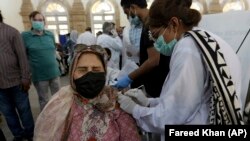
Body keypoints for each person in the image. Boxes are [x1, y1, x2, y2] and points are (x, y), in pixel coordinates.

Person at [118, 0, 244, 140]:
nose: (156, 43)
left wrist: (135, 110)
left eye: (156, 35)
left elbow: (172, 116)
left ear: (174, 24)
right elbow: (192, 98)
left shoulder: (187, 49)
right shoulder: (208, 39)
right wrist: (149, 102)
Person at [34, 44, 141, 141]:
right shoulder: (60, 103)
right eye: (82, 70)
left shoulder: (116, 104)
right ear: (72, 74)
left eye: (96, 69)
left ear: (104, 73)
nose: (90, 75)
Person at [115, 0, 170, 98]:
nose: (128, 17)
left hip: (158, 81)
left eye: (127, 13)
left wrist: (129, 77)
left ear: (133, 8)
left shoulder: (150, 25)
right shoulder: (149, 23)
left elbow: (154, 60)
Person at [0, 10, 34, 141]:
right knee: (8, 113)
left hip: (16, 81)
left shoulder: (12, 32)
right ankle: (18, 135)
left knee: (24, 111)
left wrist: (25, 77)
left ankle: (30, 134)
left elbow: (22, 56)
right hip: (0, 86)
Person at [21, 11, 61, 111]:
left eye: (41, 20)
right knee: (44, 100)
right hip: (39, 76)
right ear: (31, 20)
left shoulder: (50, 34)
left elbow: (53, 51)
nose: (38, 22)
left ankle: (58, 117)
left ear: (44, 21)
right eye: (35, 20)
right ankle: (46, 121)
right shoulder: (25, 36)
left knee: (58, 98)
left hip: (54, 72)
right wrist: (26, 74)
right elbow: (23, 56)